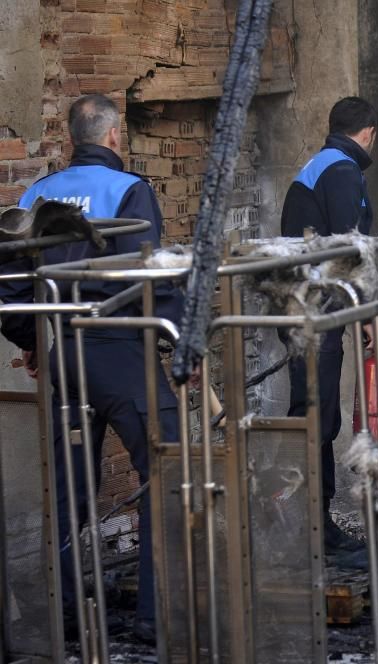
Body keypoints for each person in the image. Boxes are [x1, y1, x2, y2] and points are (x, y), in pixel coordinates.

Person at [0, 94, 184, 645]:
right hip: (120, 345)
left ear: (71, 137)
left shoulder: (36, 193)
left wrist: (33, 338)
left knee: (67, 487)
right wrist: (179, 344)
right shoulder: (129, 190)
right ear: (112, 138)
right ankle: (158, 618)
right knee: (166, 470)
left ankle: (59, 622)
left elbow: (8, 278)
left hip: (64, 348)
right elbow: (151, 271)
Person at [280, 96, 377, 555]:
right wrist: (366, 309)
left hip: (309, 307)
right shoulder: (340, 170)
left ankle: (310, 524)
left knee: (317, 416)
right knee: (315, 418)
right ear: (368, 132)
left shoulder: (324, 164)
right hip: (316, 312)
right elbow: (348, 248)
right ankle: (304, 528)